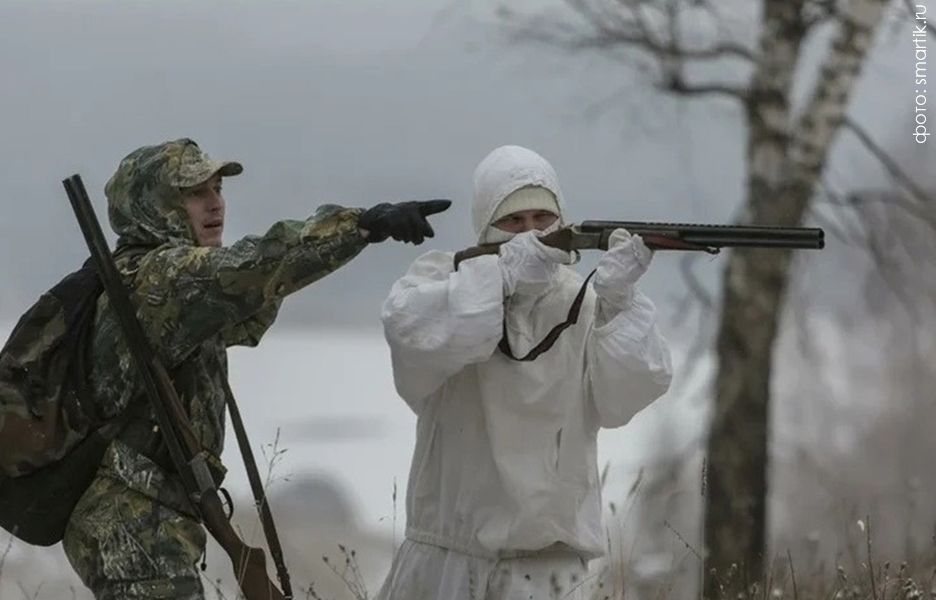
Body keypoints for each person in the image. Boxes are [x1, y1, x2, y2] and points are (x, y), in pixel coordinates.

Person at [61, 138, 450, 600]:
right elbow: (257, 267)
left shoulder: (164, 282)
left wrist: (286, 268)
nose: (215, 204)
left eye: (218, 189)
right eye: (194, 193)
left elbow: (252, 299)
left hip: (149, 518)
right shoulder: (159, 280)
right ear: (154, 206)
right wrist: (362, 226)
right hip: (130, 524)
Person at [377, 145, 672, 599]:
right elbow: (415, 336)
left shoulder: (584, 301)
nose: (530, 233)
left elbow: (625, 397)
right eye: (513, 221)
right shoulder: (444, 281)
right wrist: (503, 278)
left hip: (551, 570)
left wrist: (620, 302)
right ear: (486, 225)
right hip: (446, 561)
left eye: (542, 219)